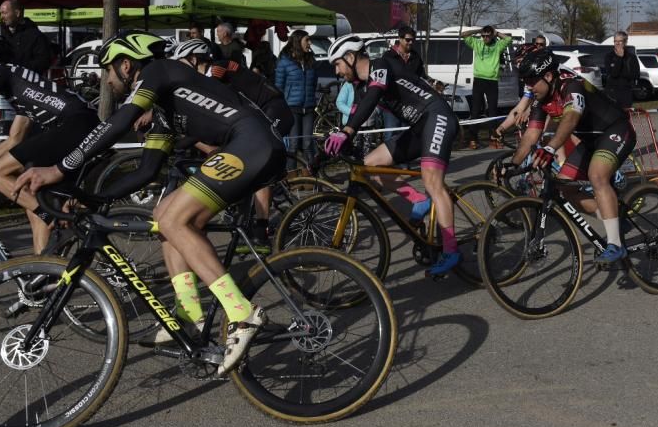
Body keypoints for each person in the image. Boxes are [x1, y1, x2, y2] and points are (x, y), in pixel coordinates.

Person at [14, 31, 286, 375]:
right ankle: (189, 314)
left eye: (107, 70)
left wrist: (59, 168)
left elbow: (120, 122)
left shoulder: (159, 71)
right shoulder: (165, 111)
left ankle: (241, 313)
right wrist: (95, 199)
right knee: (163, 215)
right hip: (246, 146)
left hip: (252, 143)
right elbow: (146, 171)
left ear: (126, 65)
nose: (105, 79)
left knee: (176, 220)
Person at [323, 35, 462, 275]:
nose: (336, 71)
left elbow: (374, 98)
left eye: (337, 64)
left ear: (350, 57)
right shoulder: (363, 85)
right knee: (370, 166)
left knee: (432, 180)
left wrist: (348, 131)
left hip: (438, 116)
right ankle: (420, 200)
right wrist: (327, 150)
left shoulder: (381, 66)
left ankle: (451, 250)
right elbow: (359, 110)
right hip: (420, 126)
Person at [0, 34, 99, 254]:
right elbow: (14, 140)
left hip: (73, 124)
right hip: (82, 123)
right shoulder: (21, 83)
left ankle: (52, 217)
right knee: (33, 197)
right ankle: (44, 273)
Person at [510, 50, 636, 263]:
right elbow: (531, 134)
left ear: (548, 76)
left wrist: (550, 148)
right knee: (565, 188)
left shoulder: (571, 85)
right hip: (591, 142)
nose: (529, 87)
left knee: (597, 176)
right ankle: (614, 218)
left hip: (616, 130)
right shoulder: (542, 99)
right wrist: (513, 165)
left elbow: (572, 117)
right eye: (526, 82)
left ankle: (615, 245)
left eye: (532, 81)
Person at [167, 37, 294, 247]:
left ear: (193, 59)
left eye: (180, 63)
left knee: (256, 160)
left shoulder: (217, 68)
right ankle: (245, 211)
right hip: (256, 116)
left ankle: (261, 230)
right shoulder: (206, 75)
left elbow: (208, 97)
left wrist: (185, 140)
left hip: (275, 109)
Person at [461, 25, 513, 149]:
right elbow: (463, 35)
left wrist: (497, 33)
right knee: (475, 110)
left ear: (492, 35)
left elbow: (509, 40)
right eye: (483, 36)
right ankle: (473, 139)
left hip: (492, 81)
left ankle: (493, 138)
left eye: (487, 35)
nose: (485, 38)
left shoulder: (497, 46)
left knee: (493, 111)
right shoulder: (477, 43)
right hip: (479, 80)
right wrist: (479, 30)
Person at [275, 29, 318, 169]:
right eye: (307, 40)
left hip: (309, 108)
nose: (310, 43)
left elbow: (314, 83)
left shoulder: (311, 60)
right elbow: (278, 86)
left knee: (307, 144)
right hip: (292, 108)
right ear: (298, 41)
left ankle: (310, 176)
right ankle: (292, 178)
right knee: (293, 145)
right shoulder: (284, 61)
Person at [0, 0, 52, 75]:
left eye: (5, 13)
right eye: (1, 13)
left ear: (17, 13)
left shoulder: (36, 35)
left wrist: (19, 68)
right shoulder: (5, 34)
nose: (2, 17)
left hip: (28, 83)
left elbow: (43, 62)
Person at [604, 31, 638, 111]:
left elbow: (636, 74)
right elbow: (613, 74)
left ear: (625, 42)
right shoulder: (609, 56)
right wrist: (619, 58)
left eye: (620, 41)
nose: (617, 43)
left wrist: (624, 76)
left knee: (625, 118)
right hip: (611, 92)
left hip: (626, 93)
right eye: (615, 41)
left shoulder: (631, 57)